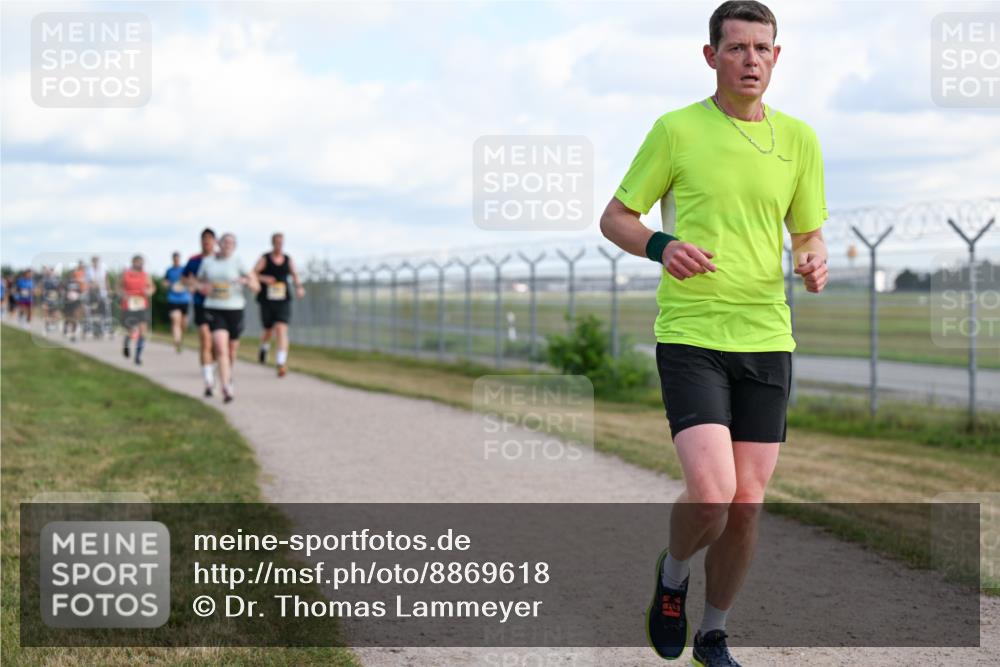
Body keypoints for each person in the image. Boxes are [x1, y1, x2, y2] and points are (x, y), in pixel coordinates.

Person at [599, 2, 829, 665]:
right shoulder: (676, 130)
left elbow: (806, 230)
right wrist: (660, 244)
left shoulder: (801, 140)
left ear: (777, 58)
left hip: (766, 338)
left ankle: (714, 632)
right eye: (737, 48)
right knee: (712, 493)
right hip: (693, 332)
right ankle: (673, 577)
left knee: (749, 503)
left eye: (763, 49)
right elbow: (616, 217)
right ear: (711, 57)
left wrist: (813, 256)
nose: (751, 60)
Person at [197, 233, 259, 403]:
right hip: (215, 308)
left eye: (232, 242)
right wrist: (203, 288)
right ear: (219, 243)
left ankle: (227, 376)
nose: (228, 245)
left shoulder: (239, 261)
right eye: (225, 242)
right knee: (220, 347)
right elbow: (199, 282)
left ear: (235, 246)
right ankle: (226, 387)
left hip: (235, 309)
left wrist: (246, 281)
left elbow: (256, 286)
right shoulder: (208, 262)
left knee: (231, 350)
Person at [253, 232, 306, 377]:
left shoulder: (288, 259)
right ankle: (264, 348)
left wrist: (299, 287)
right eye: (276, 242)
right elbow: (253, 273)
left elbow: (294, 275)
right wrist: (264, 278)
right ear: (272, 243)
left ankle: (281, 363)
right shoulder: (265, 258)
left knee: (281, 329)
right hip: (267, 300)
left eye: (281, 242)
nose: (279, 245)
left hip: (283, 300)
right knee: (268, 330)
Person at [182, 229, 219, 395]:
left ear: (215, 242)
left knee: (217, 344)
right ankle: (209, 382)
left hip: (220, 305)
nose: (207, 242)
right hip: (200, 304)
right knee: (205, 339)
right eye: (204, 239)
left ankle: (212, 365)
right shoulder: (194, 260)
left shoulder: (221, 259)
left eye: (210, 239)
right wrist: (191, 282)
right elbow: (183, 278)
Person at [119, 255, 155, 365]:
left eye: (142, 263)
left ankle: (138, 357)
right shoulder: (125, 274)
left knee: (142, 331)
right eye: (138, 262)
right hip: (129, 305)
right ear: (133, 262)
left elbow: (152, 287)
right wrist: (122, 294)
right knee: (131, 331)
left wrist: (149, 291)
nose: (140, 264)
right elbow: (118, 287)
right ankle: (126, 341)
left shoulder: (145, 275)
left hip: (142, 304)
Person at [162, 252, 191, 353]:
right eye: (175, 259)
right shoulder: (169, 270)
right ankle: (177, 342)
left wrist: (186, 283)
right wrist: (166, 284)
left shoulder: (184, 270)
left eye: (178, 259)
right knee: (175, 320)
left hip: (184, 299)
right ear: (172, 259)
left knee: (184, 323)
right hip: (173, 299)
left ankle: (180, 338)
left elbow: (190, 280)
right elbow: (164, 282)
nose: (176, 261)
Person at [85, 255, 111, 338]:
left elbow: (106, 280)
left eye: (97, 261)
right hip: (92, 293)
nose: (95, 262)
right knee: (91, 310)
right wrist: (92, 285)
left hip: (102, 292)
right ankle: (90, 328)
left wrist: (108, 289)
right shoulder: (89, 269)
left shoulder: (103, 268)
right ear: (92, 261)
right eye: (94, 261)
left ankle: (105, 328)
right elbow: (88, 281)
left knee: (105, 310)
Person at [62, 261, 87, 342]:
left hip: (76, 302)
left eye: (74, 273)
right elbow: (63, 291)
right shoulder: (66, 282)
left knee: (75, 318)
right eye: (72, 273)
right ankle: (65, 327)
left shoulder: (77, 282)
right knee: (68, 318)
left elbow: (80, 291)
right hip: (68, 302)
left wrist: (79, 295)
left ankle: (73, 335)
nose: (73, 274)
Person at [39, 267, 62, 336]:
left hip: (54, 300)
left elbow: (59, 289)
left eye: (51, 272)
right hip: (46, 299)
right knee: (46, 314)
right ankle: (46, 328)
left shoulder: (57, 280)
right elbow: (42, 290)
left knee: (56, 315)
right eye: (48, 272)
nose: (50, 273)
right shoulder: (44, 280)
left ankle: (51, 324)